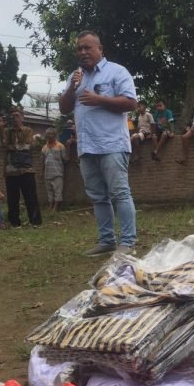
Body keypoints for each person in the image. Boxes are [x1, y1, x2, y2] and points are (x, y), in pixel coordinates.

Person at [58, 30, 137, 256]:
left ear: (100, 49)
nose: (83, 52)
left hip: (112, 144)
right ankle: (106, 241)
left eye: (87, 47)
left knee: (120, 193)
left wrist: (98, 100)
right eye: (79, 49)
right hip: (87, 146)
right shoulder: (75, 77)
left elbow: (131, 103)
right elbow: (64, 109)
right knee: (97, 196)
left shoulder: (117, 72)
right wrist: (72, 88)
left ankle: (128, 243)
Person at [0, 109, 42, 228]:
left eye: (17, 116)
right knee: (12, 198)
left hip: (26, 168)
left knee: (31, 197)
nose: (15, 119)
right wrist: (1, 128)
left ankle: (35, 221)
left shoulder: (28, 130)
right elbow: (3, 144)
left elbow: (26, 145)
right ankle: (14, 222)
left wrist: (11, 147)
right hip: (11, 170)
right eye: (12, 116)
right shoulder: (7, 131)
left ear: (22, 117)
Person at [40, 127, 67, 211]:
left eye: (51, 134)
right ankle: (50, 206)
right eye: (48, 134)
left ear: (55, 135)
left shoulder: (60, 146)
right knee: (49, 192)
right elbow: (43, 161)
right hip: (47, 173)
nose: (50, 135)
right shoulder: (44, 147)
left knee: (57, 191)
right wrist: (42, 172)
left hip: (58, 173)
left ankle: (55, 207)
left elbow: (65, 159)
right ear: (46, 135)